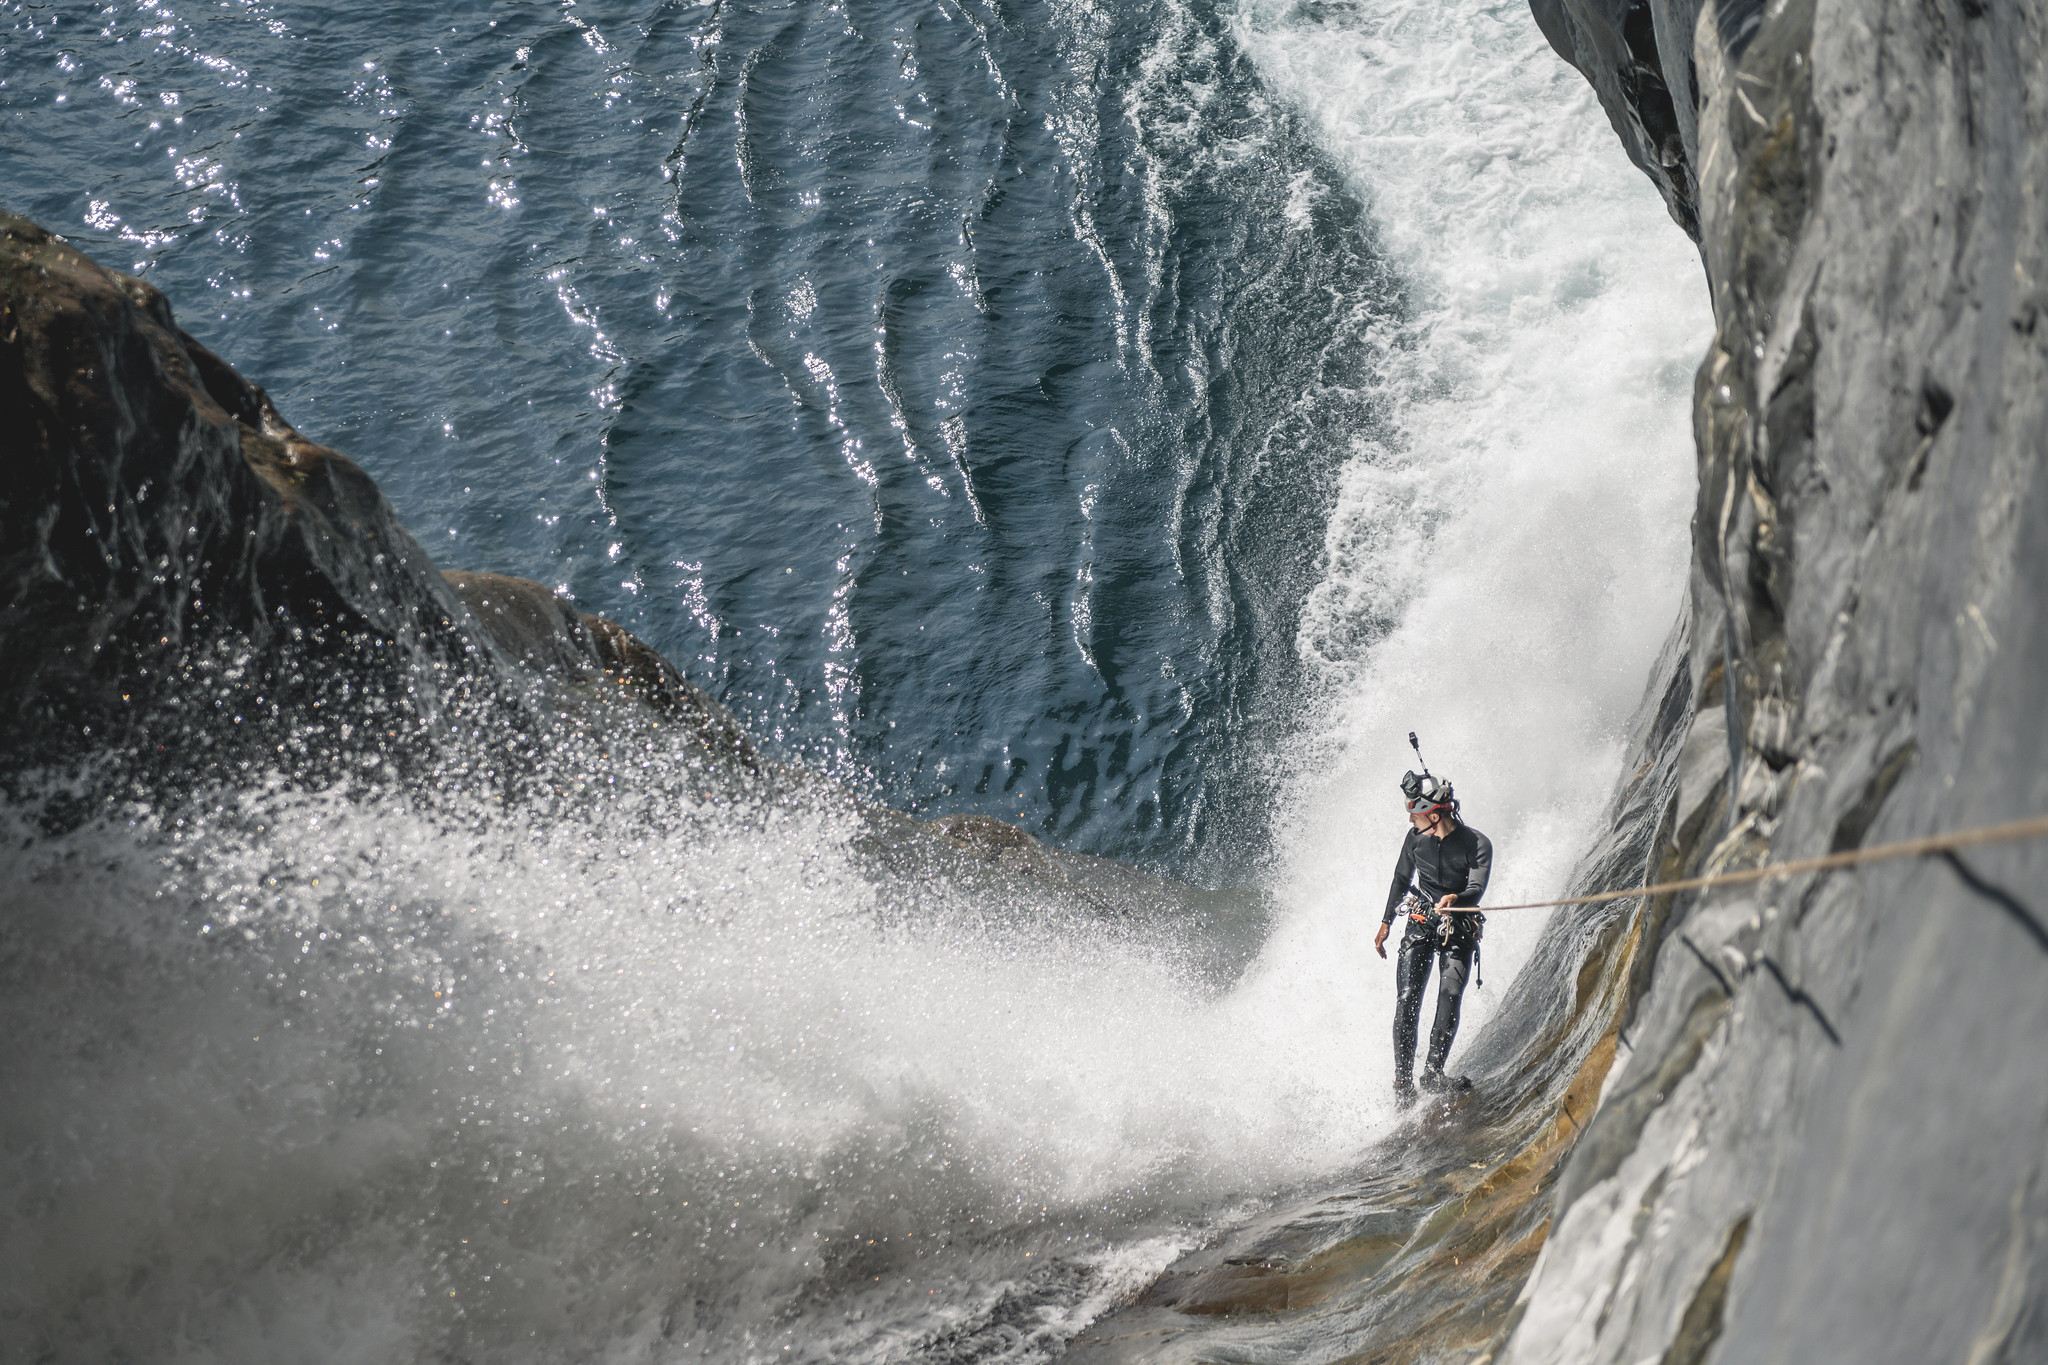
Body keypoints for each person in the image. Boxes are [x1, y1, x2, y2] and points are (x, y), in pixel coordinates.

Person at [1373, 770, 1491, 1102]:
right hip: (1421, 921)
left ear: (1435, 815)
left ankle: (1434, 1073)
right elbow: (1400, 878)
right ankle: (1402, 1084)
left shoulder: (1477, 844)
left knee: (1449, 994)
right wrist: (1385, 923)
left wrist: (1458, 900)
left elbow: (1476, 887)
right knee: (1408, 998)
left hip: (1459, 926)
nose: (1410, 819)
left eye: (1416, 814)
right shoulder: (1415, 839)